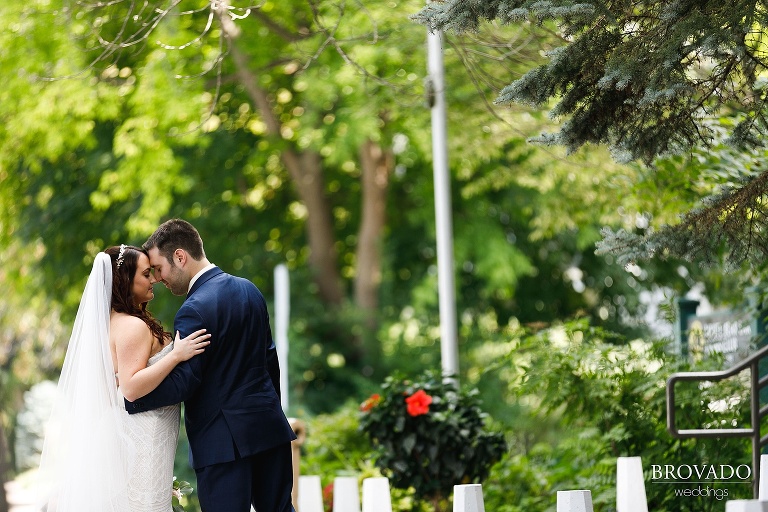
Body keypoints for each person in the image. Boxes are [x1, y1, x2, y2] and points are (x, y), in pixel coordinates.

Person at [124, 219, 297, 512]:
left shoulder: (193, 310)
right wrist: (269, 411)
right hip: (269, 429)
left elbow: (187, 381)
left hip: (222, 443)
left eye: (159, 269)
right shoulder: (250, 290)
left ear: (180, 256)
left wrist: (130, 399)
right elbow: (270, 362)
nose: (158, 278)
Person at [38, 245, 211, 512]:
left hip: (138, 432)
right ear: (125, 283)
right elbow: (130, 387)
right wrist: (176, 355)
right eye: (145, 274)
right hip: (146, 434)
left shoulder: (114, 321)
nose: (153, 279)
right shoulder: (132, 326)